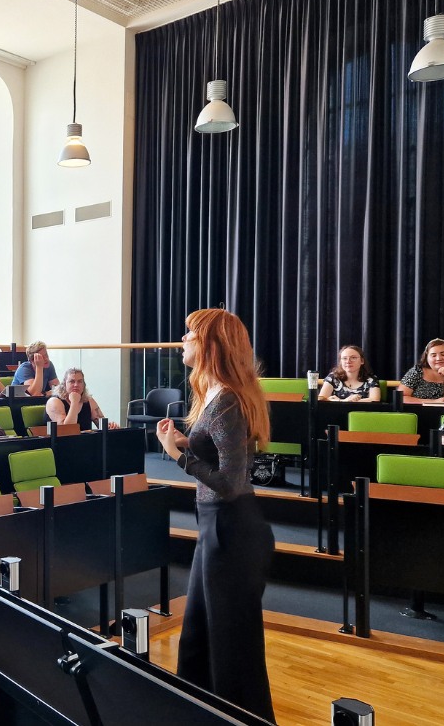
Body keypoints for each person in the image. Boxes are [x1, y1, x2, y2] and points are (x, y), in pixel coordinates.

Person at [155, 309, 275, 722]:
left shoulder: (226, 400)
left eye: (189, 334)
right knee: (199, 635)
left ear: (210, 345)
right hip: (218, 526)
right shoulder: (215, 393)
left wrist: (177, 455)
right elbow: (220, 455)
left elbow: (229, 483)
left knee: (230, 646)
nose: (182, 340)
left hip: (232, 529)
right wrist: (187, 442)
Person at [45, 367, 120, 430]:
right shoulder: (54, 402)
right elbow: (67, 430)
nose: (76, 385)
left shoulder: (89, 400)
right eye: (72, 381)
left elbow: (102, 424)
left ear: (84, 385)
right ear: (64, 384)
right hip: (61, 442)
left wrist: (111, 427)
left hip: (86, 441)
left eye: (80, 381)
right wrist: (74, 402)